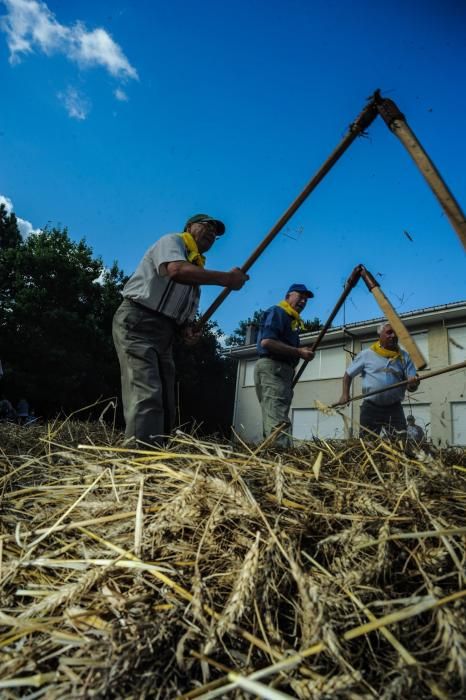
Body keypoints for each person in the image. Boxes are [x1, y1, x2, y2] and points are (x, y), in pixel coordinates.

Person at [113, 213, 249, 447]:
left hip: (165, 333)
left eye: (215, 233)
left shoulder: (196, 274)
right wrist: (226, 278)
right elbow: (176, 270)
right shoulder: (173, 242)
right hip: (139, 321)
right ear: (188, 226)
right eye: (206, 226)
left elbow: (184, 320)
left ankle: (159, 454)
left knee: (166, 400)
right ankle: (137, 460)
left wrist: (187, 331)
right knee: (147, 392)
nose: (211, 233)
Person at [254, 283, 315, 448]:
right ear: (288, 296)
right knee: (278, 418)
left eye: (306, 299)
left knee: (273, 414)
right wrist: (299, 352)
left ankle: (271, 456)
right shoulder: (279, 312)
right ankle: (282, 460)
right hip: (274, 366)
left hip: (281, 370)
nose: (303, 301)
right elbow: (267, 342)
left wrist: (297, 355)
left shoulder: (291, 320)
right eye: (300, 296)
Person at [338, 321, 420, 437]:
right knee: (367, 443)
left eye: (395, 333)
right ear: (380, 335)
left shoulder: (404, 356)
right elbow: (348, 375)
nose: (393, 335)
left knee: (400, 442)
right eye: (389, 332)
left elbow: (412, 387)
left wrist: (413, 384)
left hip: (394, 408)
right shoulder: (366, 354)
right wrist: (345, 394)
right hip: (371, 407)